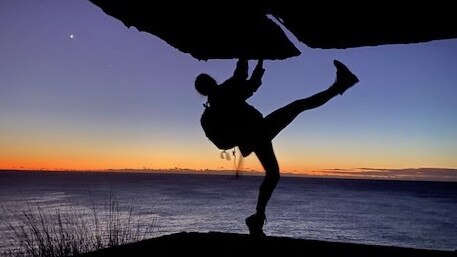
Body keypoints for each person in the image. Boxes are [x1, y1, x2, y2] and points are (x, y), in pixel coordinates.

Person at [194, 59, 359, 237]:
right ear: (211, 82)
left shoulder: (214, 106)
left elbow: (247, 83)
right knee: (299, 106)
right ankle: (340, 85)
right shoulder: (223, 94)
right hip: (260, 130)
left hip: (256, 136)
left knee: (273, 173)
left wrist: (258, 62)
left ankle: (257, 218)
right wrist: (250, 55)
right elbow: (243, 77)